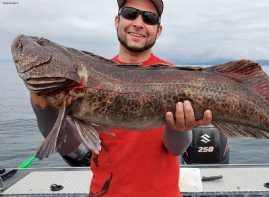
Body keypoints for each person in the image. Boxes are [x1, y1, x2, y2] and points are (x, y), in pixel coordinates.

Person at [31, 0, 212, 196]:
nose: (139, 23)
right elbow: (69, 146)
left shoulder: (176, 77)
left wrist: (178, 129)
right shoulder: (90, 75)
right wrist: (43, 108)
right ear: (117, 21)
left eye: (149, 18)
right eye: (130, 13)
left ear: (158, 31)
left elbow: (176, 149)